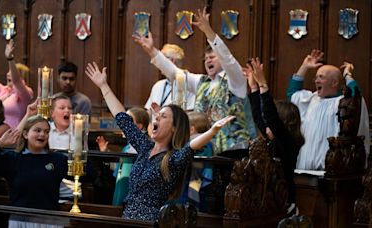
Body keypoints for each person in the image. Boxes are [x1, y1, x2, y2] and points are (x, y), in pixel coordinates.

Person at [85, 61, 234, 221]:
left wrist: (212, 131)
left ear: (174, 128)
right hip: (127, 219)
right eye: (157, 115)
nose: (156, 118)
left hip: (151, 223)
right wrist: (103, 86)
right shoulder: (145, 147)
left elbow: (191, 146)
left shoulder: (173, 159)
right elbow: (122, 118)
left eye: (163, 117)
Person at [134, 7, 256, 156]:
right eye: (206, 58)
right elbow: (175, 73)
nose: (208, 60)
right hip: (205, 149)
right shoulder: (201, 82)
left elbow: (228, 59)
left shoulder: (235, 79)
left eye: (212, 57)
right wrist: (152, 51)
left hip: (234, 150)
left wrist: (209, 33)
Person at [0, 115, 68, 226]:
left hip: (50, 220)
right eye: (38, 130)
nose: (42, 134)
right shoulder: (13, 158)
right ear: (25, 134)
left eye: (46, 132)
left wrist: (81, 143)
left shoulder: (57, 159)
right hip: (20, 220)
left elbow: (87, 174)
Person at [286, 49, 370, 170]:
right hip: (304, 171)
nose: (316, 81)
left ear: (334, 82)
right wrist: (304, 67)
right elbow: (292, 94)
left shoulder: (342, 102)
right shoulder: (311, 99)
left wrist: (347, 74)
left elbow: (357, 100)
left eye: (321, 77)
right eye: (316, 77)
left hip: (331, 172)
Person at [245, 58, 303, 215]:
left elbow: (271, 117)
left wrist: (263, 84)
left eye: (273, 122)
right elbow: (258, 116)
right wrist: (254, 87)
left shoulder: (288, 142)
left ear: (284, 122)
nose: (266, 124)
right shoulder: (272, 136)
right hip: (269, 201)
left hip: (284, 204)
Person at [179, 111, 213, 212]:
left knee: (191, 200)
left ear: (192, 129)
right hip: (196, 175)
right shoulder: (207, 140)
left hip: (196, 175)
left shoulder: (198, 141)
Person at [145, 44, 196, 111]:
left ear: (172, 61)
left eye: (162, 60)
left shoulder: (189, 85)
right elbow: (149, 111)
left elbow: (190, 113)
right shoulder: (158, 85)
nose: (159, 65)